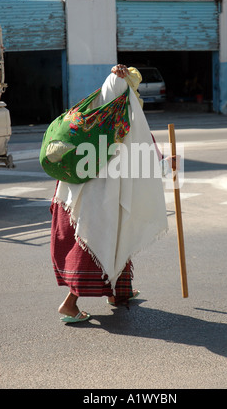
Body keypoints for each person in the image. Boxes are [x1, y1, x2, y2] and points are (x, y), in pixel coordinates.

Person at [50, 64, 173, 323]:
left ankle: (119, 292)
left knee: (112, 240)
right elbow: (146, 159)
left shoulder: (85, 116)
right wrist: (168, 164)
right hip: (97, 206)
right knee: (95, 245)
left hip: (72, 200)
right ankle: (69, 304)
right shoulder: (122, 122)